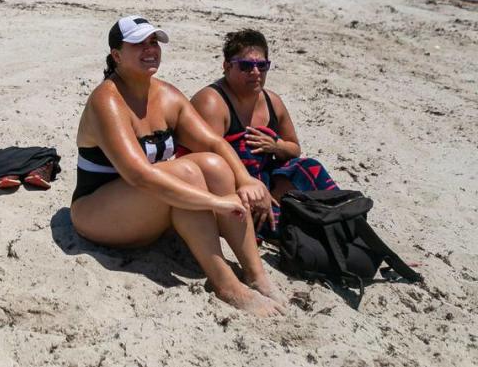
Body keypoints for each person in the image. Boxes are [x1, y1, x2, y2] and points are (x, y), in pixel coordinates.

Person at [70, 16, 285, 316]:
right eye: (139, 44)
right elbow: (139, 175)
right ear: (116, 55)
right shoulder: (106, 100)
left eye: (154, 42)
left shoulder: (166, 94)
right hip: (97, 214)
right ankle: (226, 285)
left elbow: (214, 143)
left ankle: (255, 273)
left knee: (214, 164)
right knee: (186, 173)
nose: (150, 49)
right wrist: (216, 202)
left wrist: (245, 180)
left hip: (144, 210)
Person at [189, 29, 338, 238]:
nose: (256, 72)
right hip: (228, 184)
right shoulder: (212, 103)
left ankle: (337, 215)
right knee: (293, 225)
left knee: (310, 167)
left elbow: (294, 149)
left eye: (262, 65)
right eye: (246, 66)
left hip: (266, 177)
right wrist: (250, 184)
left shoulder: (272, 101)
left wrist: (277, 146)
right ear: (226, 66)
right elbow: (207, 162)